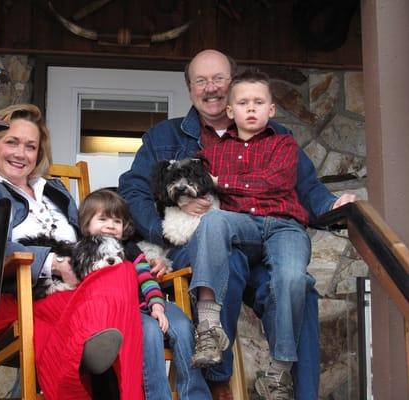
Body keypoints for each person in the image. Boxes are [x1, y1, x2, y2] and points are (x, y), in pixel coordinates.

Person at [118, 49, 356, 400]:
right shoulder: (164, 137)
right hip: (199, 249)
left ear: (233, 87)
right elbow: (133, 188)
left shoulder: (272, 134)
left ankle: (295, 390)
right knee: (229, 260)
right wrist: (162, 230)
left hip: (263, 245)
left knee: (298, 288)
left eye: (218, 79)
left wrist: (334, 205)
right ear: (189, 89)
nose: (210, 88)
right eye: (201, 81)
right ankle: (218, 380)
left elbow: (307, 187)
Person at [0, 103, 144, 400]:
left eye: (30, 146)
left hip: (79, 289)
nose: (20, 153)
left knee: (123, 267)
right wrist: (53, 263)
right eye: (11, 142)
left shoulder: (54, 190)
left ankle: (93, 340)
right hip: (25, 295)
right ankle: (92, 343)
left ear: (39, 153)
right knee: (109, 307)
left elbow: (88, 237)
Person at [196, 68, 314, 398]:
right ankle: (208, 325)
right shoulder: (213, 149)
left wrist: (225, 184)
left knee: (292, 278)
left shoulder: (284, 143)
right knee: (212, 222)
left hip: (284, 225)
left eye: (259, 102)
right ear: (230, 111)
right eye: (243, 102)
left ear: (271, 109)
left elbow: (276, 184)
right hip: (240, 222)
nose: (251, 108)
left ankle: (279, 371)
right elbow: (200, 182)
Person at [78, 188, 212, 399]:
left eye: (117, 221)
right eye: (103, 219)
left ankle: (195, 395)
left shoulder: (131, 250)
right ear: (86, 224)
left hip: (150, 300)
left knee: (183, 326)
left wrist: (157, 305)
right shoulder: (84, 252)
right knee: (149, 330)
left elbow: (146, 278)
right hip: (125, 310)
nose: (111, 226)